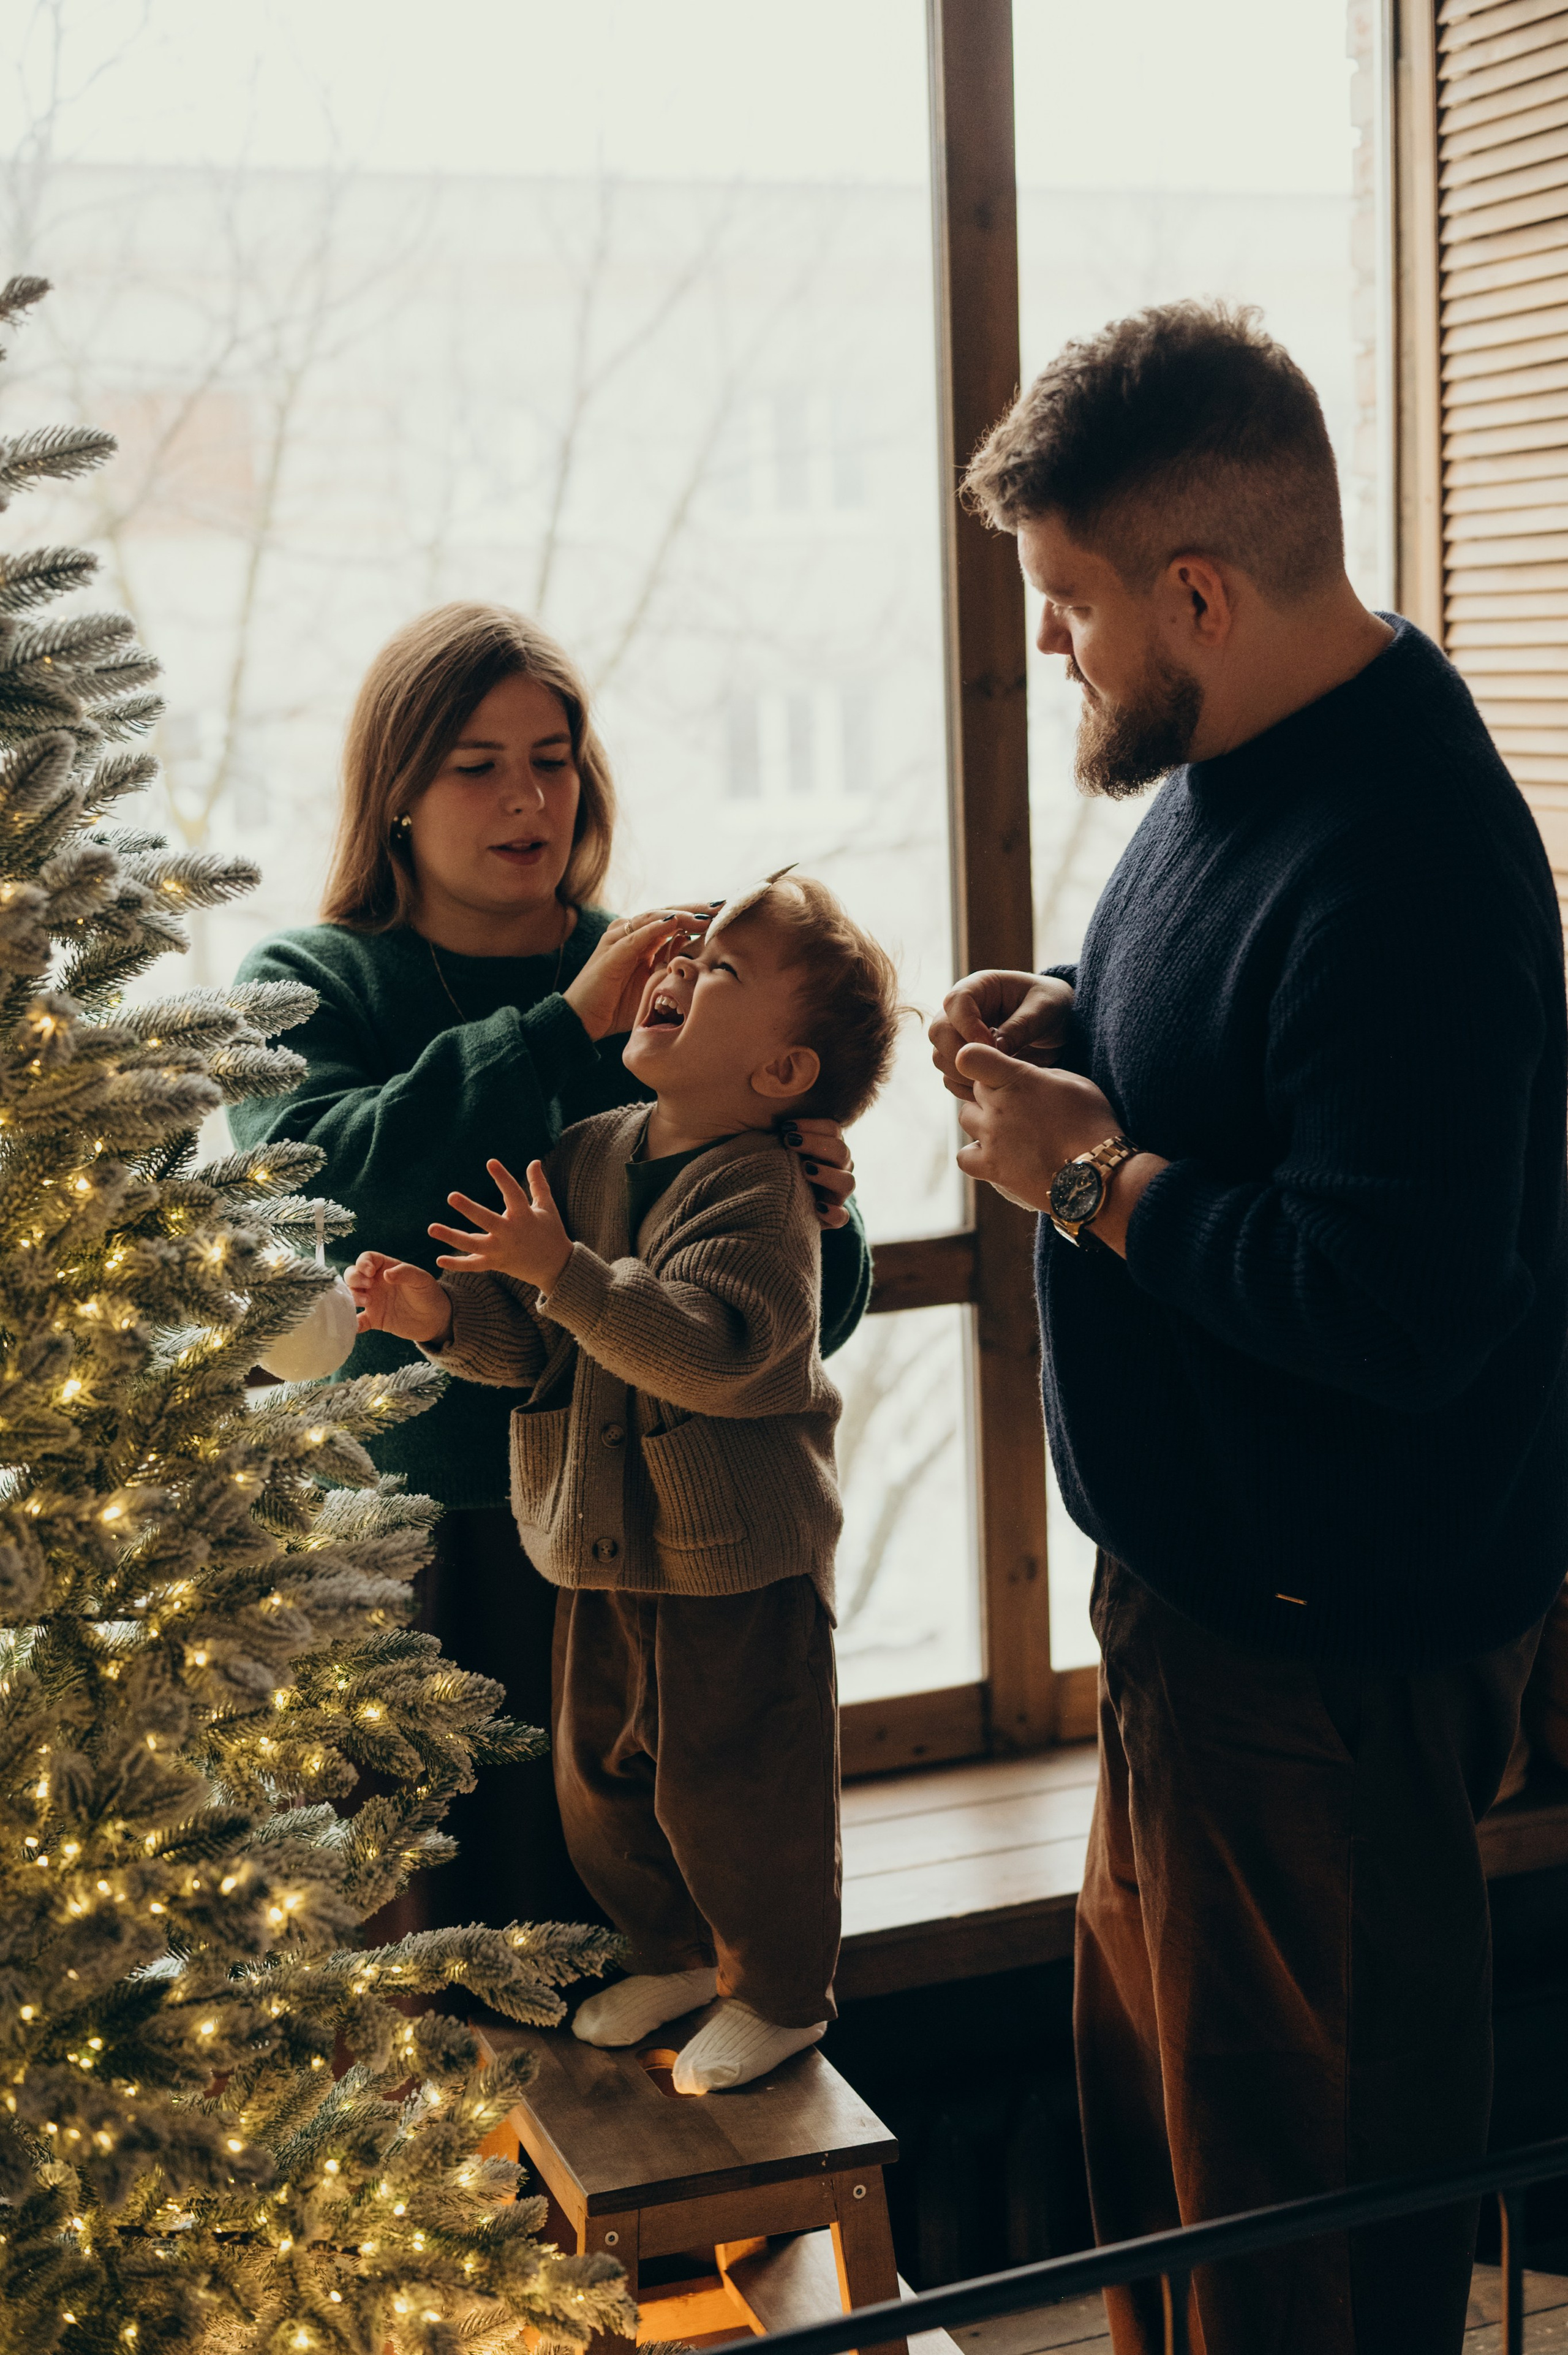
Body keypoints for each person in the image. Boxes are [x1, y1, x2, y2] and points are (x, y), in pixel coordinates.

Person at [927, 302, 1568, 2355]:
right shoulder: (1231, 758)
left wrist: (1089, 1176)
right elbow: (1258, 1077)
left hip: (1318, 1682)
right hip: (1191, 1636)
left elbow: (1394, 1306)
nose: (1056, 649)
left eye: (1069, 605)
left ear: (1197, 590)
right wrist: (1084, 1029)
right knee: (1185, 2224)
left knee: (1302, 2275)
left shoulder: (1412, 864)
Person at [229, 604, 871, 1935]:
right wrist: (560, 1023)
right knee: (438, 1967)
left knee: (653, 1945)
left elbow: (790, 1328)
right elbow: (317, 1189)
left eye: (554, 753)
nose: (527, 795)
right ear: (394, 791)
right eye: (476, 762)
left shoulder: (675, 989)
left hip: (653, 1554)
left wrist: (826, 1209)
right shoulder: (317, 977)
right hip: (412, 1552)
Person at [345, 874, 899, 2092]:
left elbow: (719, 1349)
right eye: (685, 956)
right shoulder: (592, 1146)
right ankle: (672, 1950)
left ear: (779, 1075)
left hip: (733, 1555)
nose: (674, 971)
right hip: (598, 1546)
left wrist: (567, 1273)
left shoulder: (759, 1187)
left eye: (718, 974)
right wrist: (440, 1311)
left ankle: (777, 1990)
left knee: (737, 1788)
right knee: (600, 1780)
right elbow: (538, 1337)